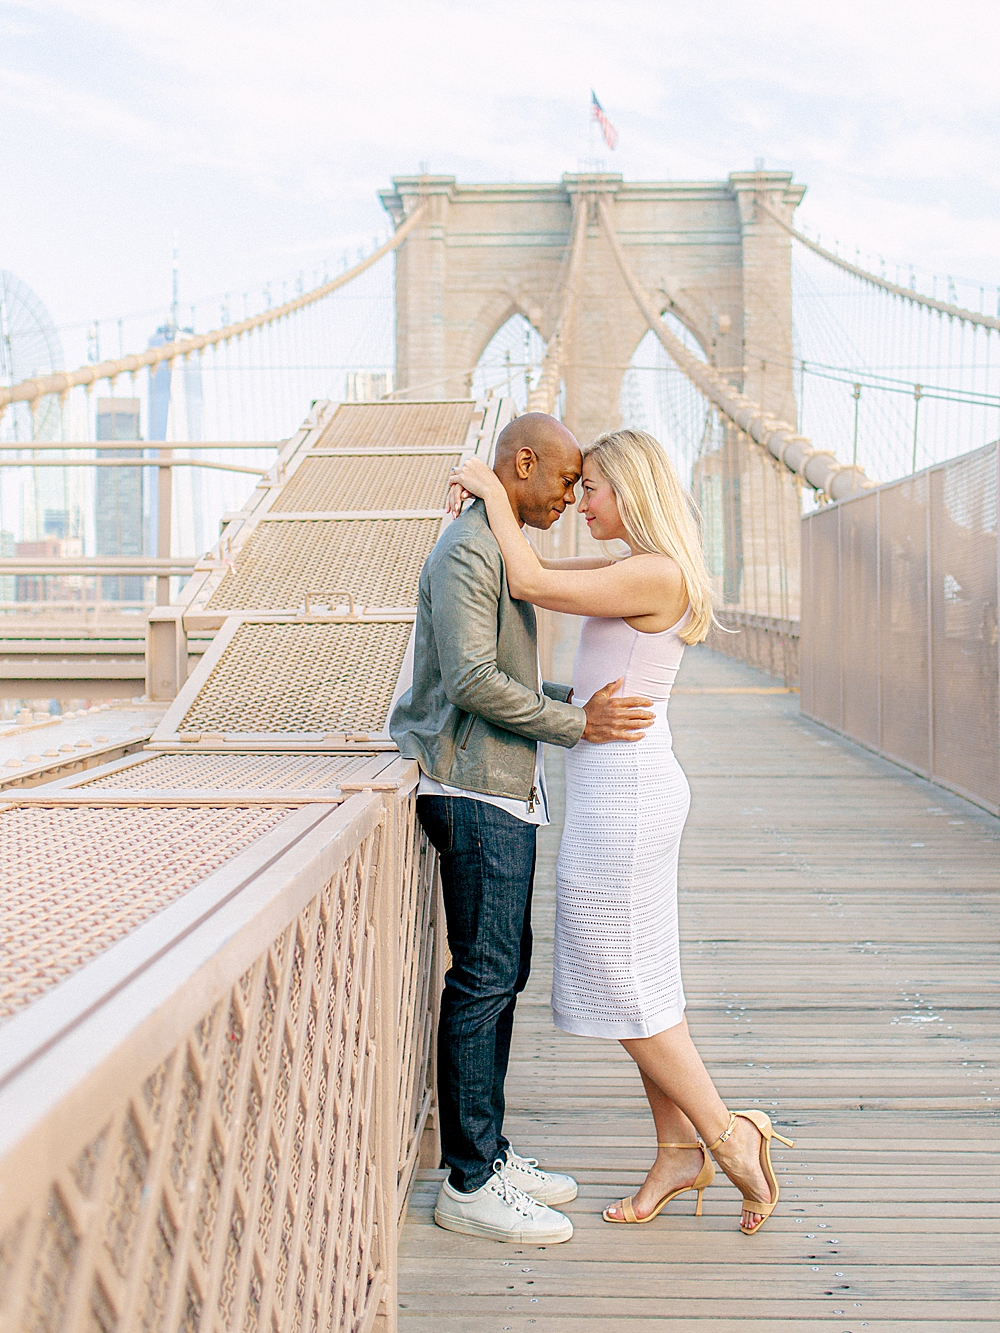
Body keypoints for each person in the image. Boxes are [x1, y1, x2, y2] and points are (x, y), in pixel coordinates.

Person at [448, 427, 794, 1236]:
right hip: (617, 790)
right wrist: (485, 522)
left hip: (626, 798)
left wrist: (495, 489)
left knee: (624, 979)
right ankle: (676, 1148)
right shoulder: (630, 568)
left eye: (592, 487)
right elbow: (522, 578)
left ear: (630, 492)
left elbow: (528, 572)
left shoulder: (654, 573)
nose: (578, 501)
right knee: (639, 975)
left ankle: (726, 1134)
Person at [390, 412, 656, 1245]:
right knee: (483, 979)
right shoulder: (470, 552)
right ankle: (469, 1182)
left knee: (503, 973)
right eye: (567, 480)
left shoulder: (494, 544)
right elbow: (470, 678)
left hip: (504, 787)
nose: (572, 496)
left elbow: (512, 632)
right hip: (472, 789)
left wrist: (566, 710)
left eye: (586, 486)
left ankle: (489, 1151)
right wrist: (578, 723)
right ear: (525, 464)